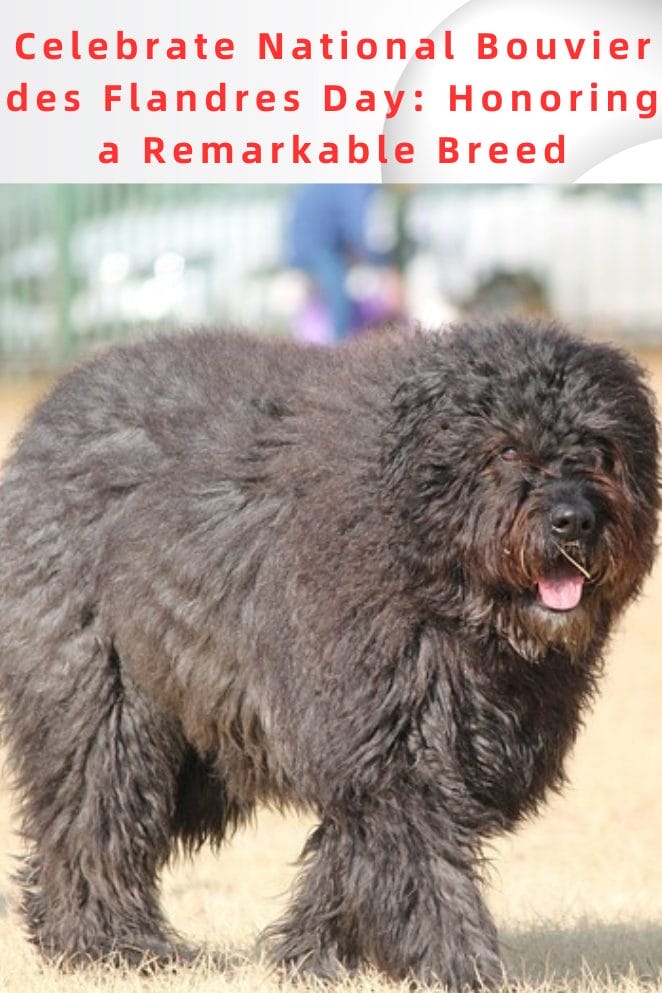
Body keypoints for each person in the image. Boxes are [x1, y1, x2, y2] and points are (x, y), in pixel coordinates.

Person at [285, 184, 405, 344]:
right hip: (314, 247)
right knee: (340, 297)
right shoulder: (356, 186)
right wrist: (384, 266)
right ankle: (339, 348)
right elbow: (359, 230)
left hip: (323, 246)